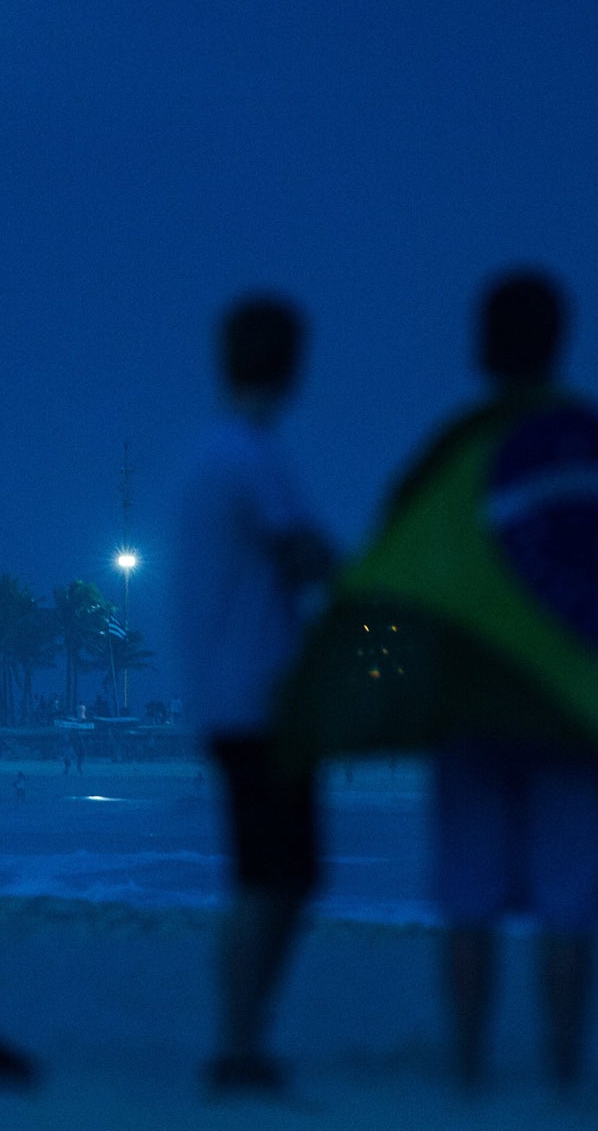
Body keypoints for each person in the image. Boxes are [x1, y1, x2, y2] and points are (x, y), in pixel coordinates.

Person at [421, 271, 598, 1091]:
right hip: (564, 706)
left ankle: (470, 1075)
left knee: (470, 902)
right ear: (561, 341)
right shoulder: (592, 448)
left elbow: (411, 577)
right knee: (569, 910)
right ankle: (562, 1079)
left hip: (471, 708)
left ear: (482, 345)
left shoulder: (456, 450)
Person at [173, 293, 338, 1093]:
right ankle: (238, 1042)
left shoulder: (213, 454)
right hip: (262, 702)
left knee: (266, 876)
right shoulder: (251, 454)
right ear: (292, 365)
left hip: (227, 700)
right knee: (282, 877)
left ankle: (240, 1038)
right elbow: (305, 553)